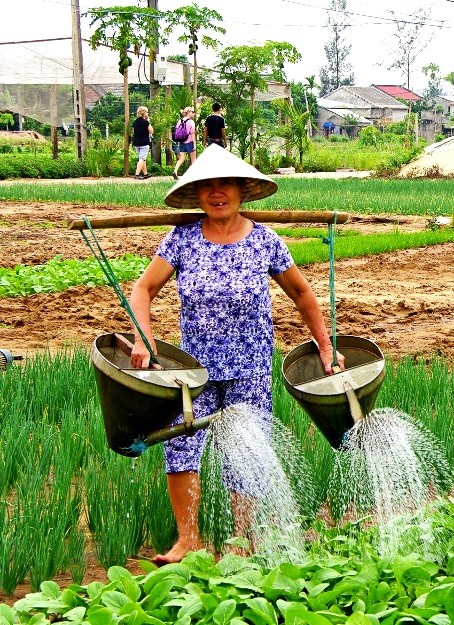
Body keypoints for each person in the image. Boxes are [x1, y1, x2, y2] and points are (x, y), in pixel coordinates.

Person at [128, 144, 345, 564]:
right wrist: (143, 338)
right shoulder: (182, 239)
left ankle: (241, 539)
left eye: (224, 183)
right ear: (197, 194)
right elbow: (143, 289)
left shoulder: (264, 240)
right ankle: (186, 541)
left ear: (241, 189)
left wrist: (324, 343)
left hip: (249, 366)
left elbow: (301, 292)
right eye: (207, 186)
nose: (216, 193)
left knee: (244, 449)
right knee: (182, 446)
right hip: (193, 370)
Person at [172, 107, 197, 180]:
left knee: (182, 158)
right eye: (192, 111)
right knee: (193, 159)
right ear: (188, 112)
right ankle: (194, 176)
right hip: (189, 141)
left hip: (182, 142)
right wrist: (194, 143)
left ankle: (175, 170)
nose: (193, 113)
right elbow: (192, 134)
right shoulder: (191, 122)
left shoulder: (179, 121)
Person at [132, 106, 153, 180]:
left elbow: (133, 132)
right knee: (142, 158)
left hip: (136, 143)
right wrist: (148, 122)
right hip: (144, 143)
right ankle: (137, 174)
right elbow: (151, 131)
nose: (147, 113)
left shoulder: (135, 122)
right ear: (144, 113)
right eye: (147, 112)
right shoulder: (146, 122)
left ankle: (145, 174)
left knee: (142, 159)